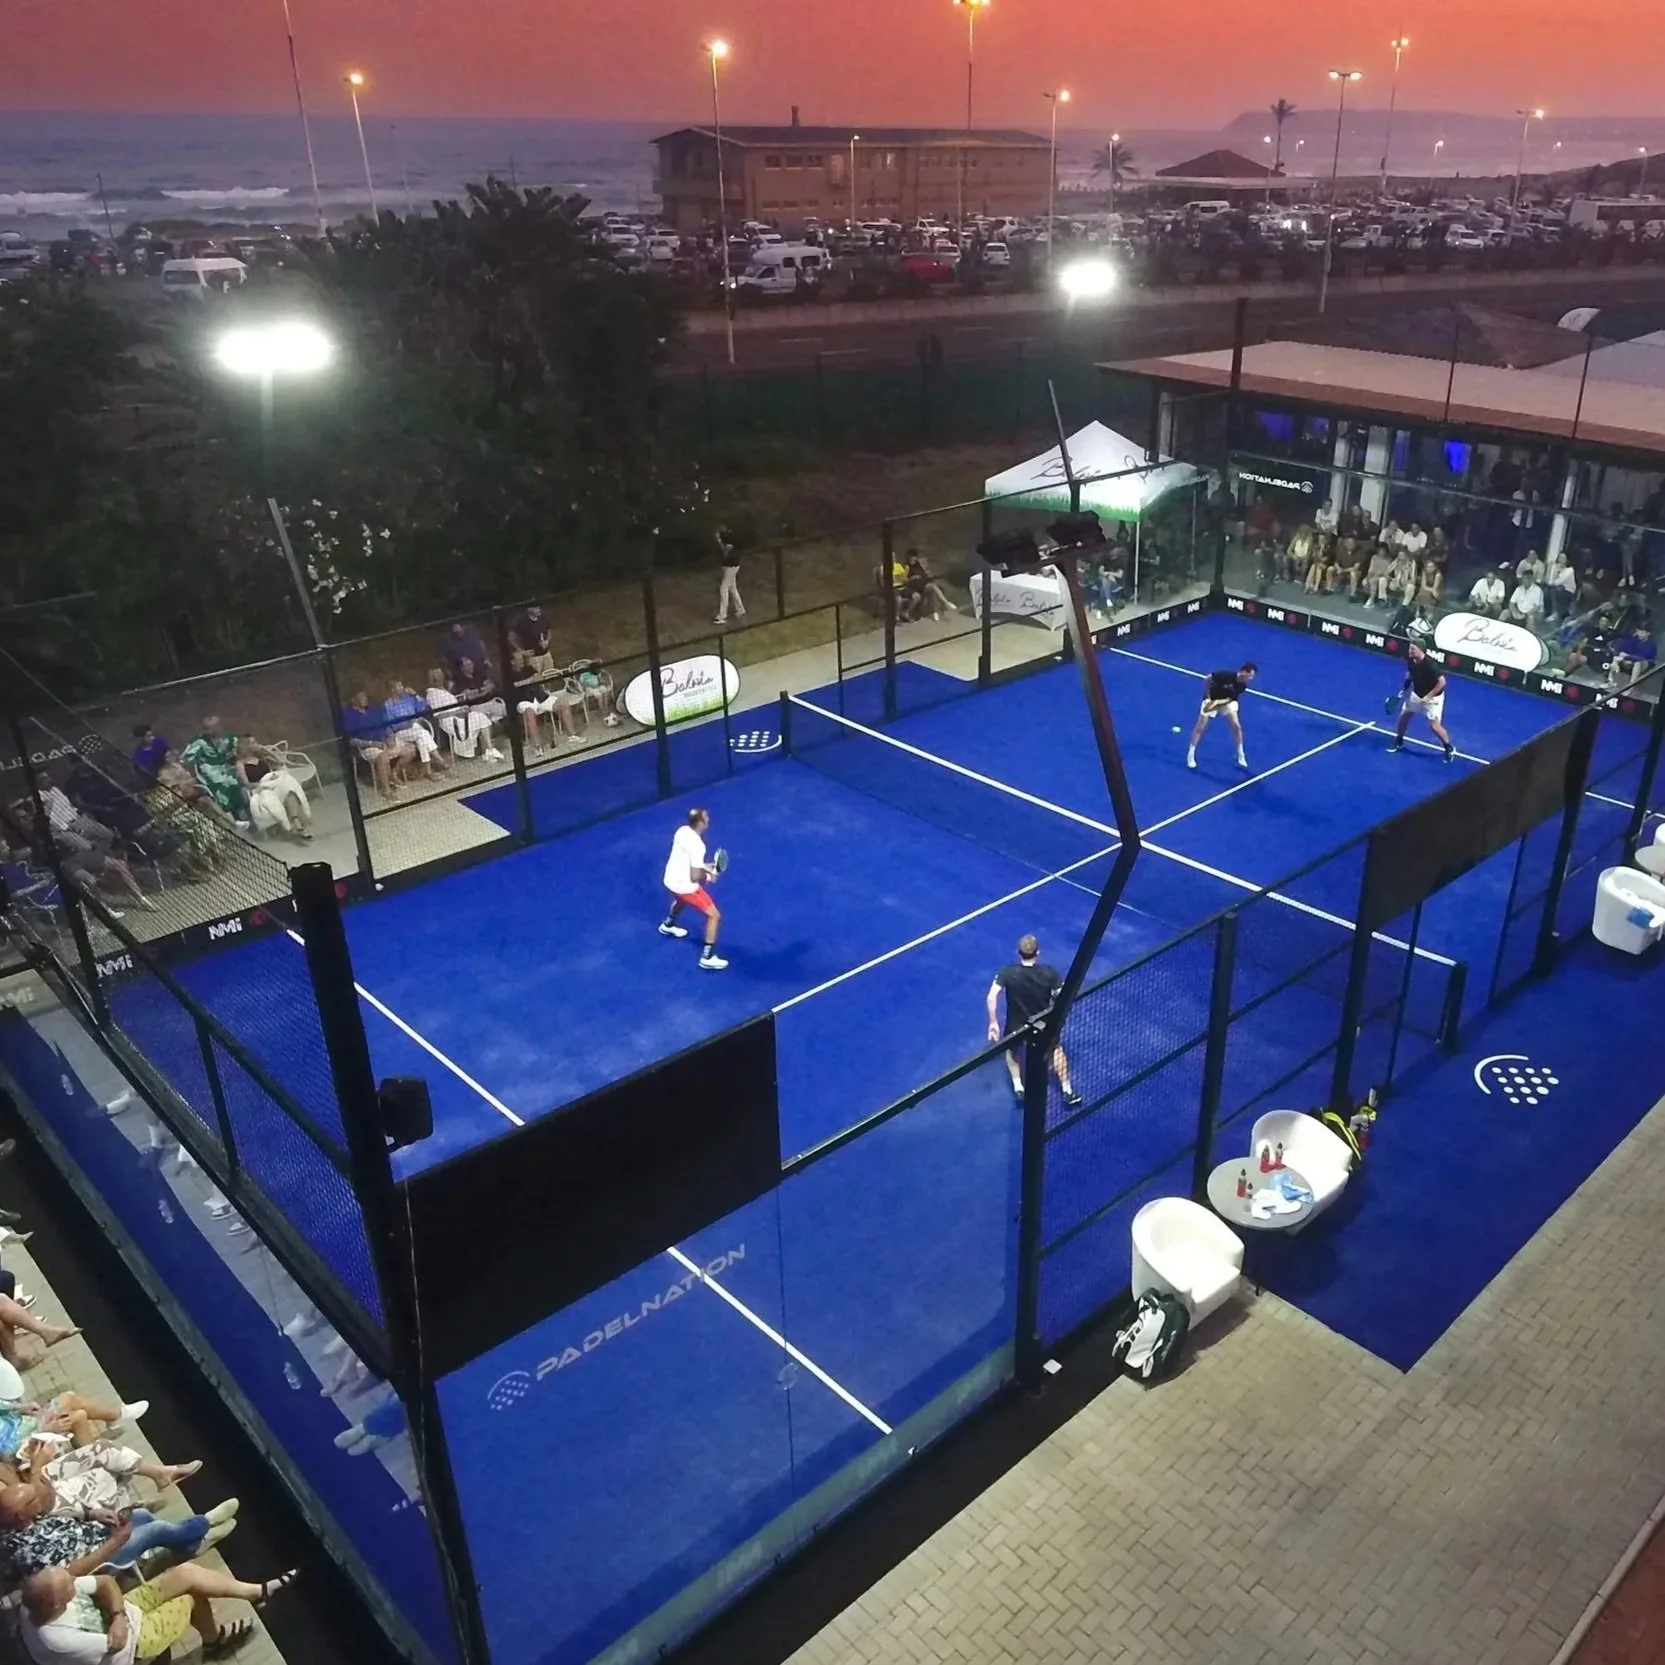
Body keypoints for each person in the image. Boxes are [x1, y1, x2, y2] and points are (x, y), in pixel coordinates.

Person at [19, 1559, 296, 1663]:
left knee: (185, 1573)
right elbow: (120, 1642)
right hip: (136, 1644)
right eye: (68, 1584)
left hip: (124, 1613)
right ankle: (214, 1643)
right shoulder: (60, 1641)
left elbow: (105, 1581)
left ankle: (257, 1593)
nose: (73, 1580)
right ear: (53, 1604)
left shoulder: (40, 1598)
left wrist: (116, 1614)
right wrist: (117, 1615)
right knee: (189, 1597)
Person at [985, 934, 1081, 1108]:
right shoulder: (1049, 973)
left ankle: (1018, 1086)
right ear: (1038, 953)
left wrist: (993, 1022)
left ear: (1018, 953)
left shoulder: (1008, 972)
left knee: (1012, 1051)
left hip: (1017, 1025)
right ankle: (1067, 1090)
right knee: (1056, 1050)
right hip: (1042, 1024)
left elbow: (992, 997)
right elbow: (1063, 995)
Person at [657, 807, 726, 971]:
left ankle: (668, 924)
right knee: (714, 916)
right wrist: (709, 876)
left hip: (670, 879)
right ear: (701, 822)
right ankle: (707, 957)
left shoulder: (681, 831)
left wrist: (707, 867)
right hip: (684, 885)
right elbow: (695, 876)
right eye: (706, 817)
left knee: (680, 899)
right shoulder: (698, 845)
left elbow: (689, 860)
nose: (708, 819)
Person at [1389, 641, 1456, 761]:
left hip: (1433, 699)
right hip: (1416, 694)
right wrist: (1404, 688)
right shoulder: (1411, 659)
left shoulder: (1430, 665)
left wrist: (1429, 696)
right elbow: (1410, 674)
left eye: (1413, 649)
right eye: (1410, 648)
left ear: (1421, 650)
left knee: (1434, 726)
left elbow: (1442, 682)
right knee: (1404, 715)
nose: (1410, 651)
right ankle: (1399, 740)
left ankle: (1448, 747)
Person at [423, 667, 505, 763]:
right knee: (478, 718)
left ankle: (489, 750)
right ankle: (489, 751)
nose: (441, 676)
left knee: (481, 717)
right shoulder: (432, 694)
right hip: (449, 721)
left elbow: (452, 704)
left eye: (441, 674)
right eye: (437, 675)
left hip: (460, 715)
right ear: (434, 678)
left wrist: (462, 707)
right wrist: (457, 712)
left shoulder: (445, 689)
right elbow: (438, 715)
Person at [1186, 662, 1256, 772]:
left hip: (1226, 702)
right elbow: (1208, 678)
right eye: (1250, 675)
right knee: (1200, 728)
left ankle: (1240, 754)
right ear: (1243, 672)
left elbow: (1230, 699)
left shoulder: (1243, 686)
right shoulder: (1226, 675)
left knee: (1236, 727)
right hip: (1211, 699)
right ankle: (1190, 754)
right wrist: (1207, 698)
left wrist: (1217, 703)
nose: (1251, 678)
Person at [235, 742, 312, 841]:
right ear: (245, 746)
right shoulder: (240, 764)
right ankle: (299, 826)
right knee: (277, 795)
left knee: (290, 791)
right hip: (260, 788)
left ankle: (295, 821)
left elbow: (280, 762)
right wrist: (262, 783)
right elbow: (246, 783)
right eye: (252, 742)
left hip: (273, 783)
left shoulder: (261, 757)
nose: (256, 744)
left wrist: (266, 750)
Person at [179, 719, 247, 826]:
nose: (206, 732)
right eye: (205, 729)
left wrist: (233, 757)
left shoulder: (229, 738)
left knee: (234, 784)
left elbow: (237, 752)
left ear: (218, 727)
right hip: (208, 773)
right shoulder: (199, 741)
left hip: (226, 770)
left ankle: (243, 819)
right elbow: (185, 758)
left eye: (209, 729)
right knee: (219, 788)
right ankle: (233, 823)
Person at [381, 681, 447, 778]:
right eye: (399, 686)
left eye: (402, 685)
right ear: (392, 690)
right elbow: (392, 726)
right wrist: (407, 723)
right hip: (400, 733)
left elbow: (423, 707)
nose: (403, 687)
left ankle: (428, 771)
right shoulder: (388, 705)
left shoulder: (408, 699)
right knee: (422, 733)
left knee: (422, 738)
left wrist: (415, 694)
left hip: (416, 728)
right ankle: (439, 759)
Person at [904, 551, 957, 622]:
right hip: (916, 587)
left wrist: (924, 568)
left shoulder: (918, 565)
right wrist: (912, 578)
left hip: (923, 584)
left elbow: (925, 574)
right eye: (911, 557)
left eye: (914, 557)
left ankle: (935, 611)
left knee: (933, 591)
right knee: (933, 588)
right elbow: (905, 580)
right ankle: (946, 603)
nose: (913, 558)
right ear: (908, 557)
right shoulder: (907, 566)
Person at [1609, 620, 1657, 686]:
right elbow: (1621, 648)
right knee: (1616, 658)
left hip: (1643, 664)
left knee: (1638, 663)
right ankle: (1610, 680)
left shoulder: (1651, 645)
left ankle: (1631, 686)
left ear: (1648, 633)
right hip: (1629, 662)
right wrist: (1620, 654)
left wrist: (1627, 657)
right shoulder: (1632, 639)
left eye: (1642, 633)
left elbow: (1642, 657)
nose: (1639, 634)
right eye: (1637, 632)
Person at [713, 530, 745, 626]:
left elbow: (726, 553)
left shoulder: (730, 540)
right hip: (729, 567)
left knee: (723, 589)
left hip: (731, 567)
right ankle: (740, 609)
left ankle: (722, 616)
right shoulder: (728, 538)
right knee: (732, 588)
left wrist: (718, 540)